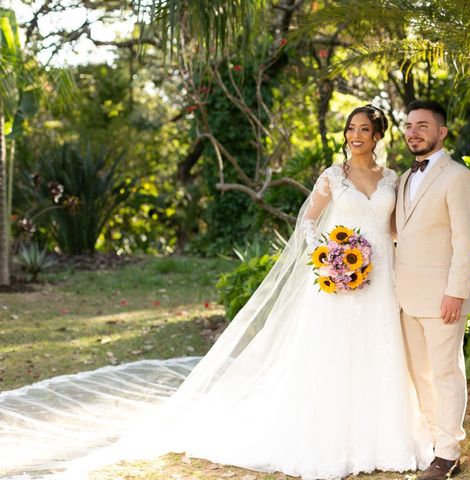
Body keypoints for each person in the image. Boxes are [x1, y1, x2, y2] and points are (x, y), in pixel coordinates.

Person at [0, 105, 433, 480]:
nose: (355, 136)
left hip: (379, 280)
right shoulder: (331, 176)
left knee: (376, 352)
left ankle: (380, 439)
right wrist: (332, 255)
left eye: (364, 130)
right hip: (338, 280)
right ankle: (333, 437)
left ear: (378, 136)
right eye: (350, 129)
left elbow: (391, 228)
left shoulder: (391, 177)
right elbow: (307, 221)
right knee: (334, 355)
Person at [395, 100, 470, 480]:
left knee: (446, 373)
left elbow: (467, 241)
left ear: (441, 132)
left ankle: (448, 454)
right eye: (410, 125)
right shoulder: (402, 179)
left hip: (443, 298)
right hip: (405, 297)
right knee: (421, 374)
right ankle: (435, 443)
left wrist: (456, 292)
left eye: (423, 125)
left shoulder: (458, 177)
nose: (414, 131)